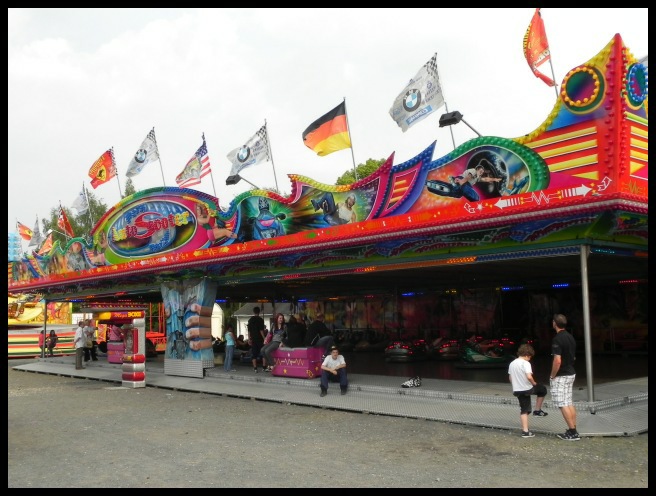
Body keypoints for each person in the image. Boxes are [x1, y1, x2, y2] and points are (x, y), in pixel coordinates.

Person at [550, 313, 580, 441]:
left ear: (554, 323)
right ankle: (573, 428)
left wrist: (552, 375)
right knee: (568, 401)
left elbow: (557, 360)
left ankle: (572, 432)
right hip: (571, 372)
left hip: (561, 375)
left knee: (562, 403)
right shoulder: (570, 337)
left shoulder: (557, 339)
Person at [508, 343, 548, 438]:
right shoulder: (526, 363)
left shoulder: (512, 363)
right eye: (530, 357)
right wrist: (534, 383)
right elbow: (529, 376)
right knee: (542, 390)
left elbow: (510, 377)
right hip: (527, 388)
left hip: (517, 390)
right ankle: (537, 410)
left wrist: (516, 385)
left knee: (524, 410)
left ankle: (525, 431)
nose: (530, 359)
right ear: (527, 355)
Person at [247, 306, 266, 373]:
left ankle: (255, 368)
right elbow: (261, 330)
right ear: (259, 312)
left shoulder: (250, 320)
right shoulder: (261, 320)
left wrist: (249, 339)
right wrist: (264, 338)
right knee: (263, 353)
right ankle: (264, 367)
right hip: (260, 339)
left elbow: (249, 331)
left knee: (254, 354)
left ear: (253, 312)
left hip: (253, 339)